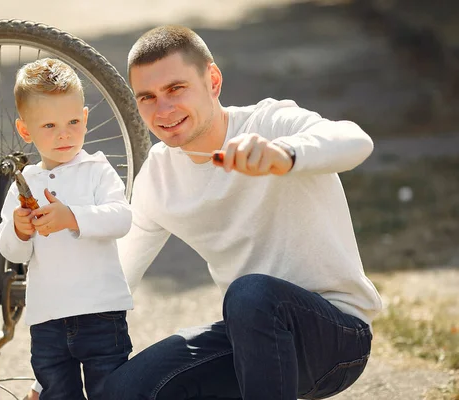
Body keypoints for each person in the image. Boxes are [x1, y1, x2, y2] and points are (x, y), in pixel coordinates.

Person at [30, 25, 382, 400]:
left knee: (251, 294)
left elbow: (355, 141)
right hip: (250, 339)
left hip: (336, 338)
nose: (162, 110)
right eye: (147, 97)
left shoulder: (267, 124)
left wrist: (285, 155)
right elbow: (112, 278)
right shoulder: (160, 176)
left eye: (175, 89)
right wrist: (44, 384)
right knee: (122, 391)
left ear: (212, 80)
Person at [0, 58, 133, 400]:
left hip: (100, 311)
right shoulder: (24, 184)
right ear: (26, 131)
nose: (64, 133)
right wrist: (19, 229)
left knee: (111, 390)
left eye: (73, 121)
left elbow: (121, 218)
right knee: (56, 392)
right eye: (49, 126)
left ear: (85, 118)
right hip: (47, 319)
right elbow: (12, 251)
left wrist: (72, 217)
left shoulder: (97, 170)